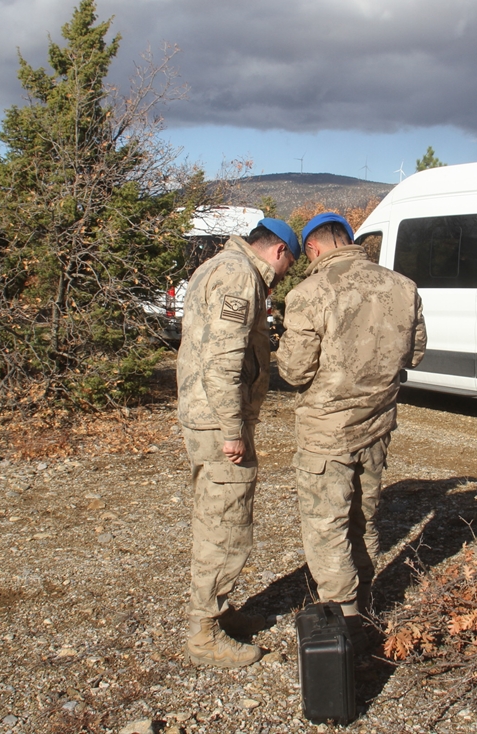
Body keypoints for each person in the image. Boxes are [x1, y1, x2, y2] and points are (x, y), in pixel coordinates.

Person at [276, 212, 426, 647]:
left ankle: (345, 627)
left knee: (328, 528)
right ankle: (367, 599)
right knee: (364, 520)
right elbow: (415, 354)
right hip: (377, 426)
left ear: (316, 248)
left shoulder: (310, 293)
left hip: (327, 435)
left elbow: (295, 371)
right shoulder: (403, 287)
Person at [176, 217, 299, 668]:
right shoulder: (239, 276)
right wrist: (233, 429)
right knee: (225, 525)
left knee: (215, 514)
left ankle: (218, 612)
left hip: (203, 414)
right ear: (280, 251)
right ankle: (204, 632)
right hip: (217, 421)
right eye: (288, 266)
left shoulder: (217, 265)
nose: (283, 276)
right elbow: (225, 358)